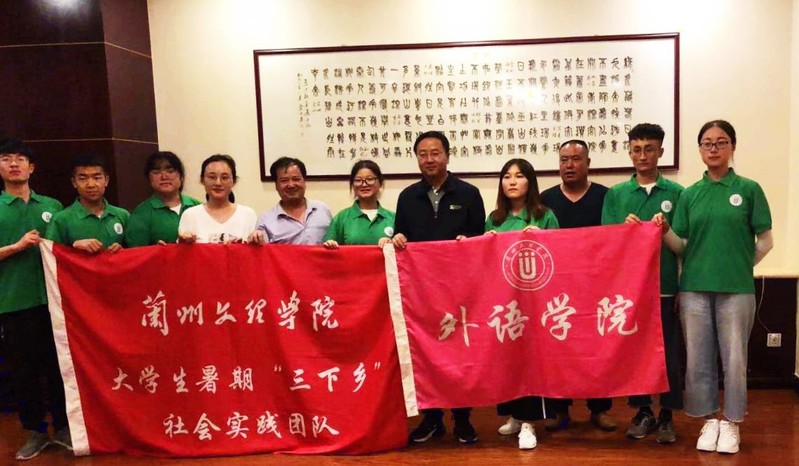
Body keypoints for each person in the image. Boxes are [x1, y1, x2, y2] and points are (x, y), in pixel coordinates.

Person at [659, 120, 772, 454]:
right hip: (694, 289)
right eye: (707, 143)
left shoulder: (749, 189)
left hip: (736, 290)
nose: (714, 148)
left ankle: (732, 422)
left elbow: (766, 241)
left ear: (732, 146)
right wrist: (664, 230)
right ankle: (709, 419)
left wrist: (741, 265)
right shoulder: (690, 194)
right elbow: (681, 246)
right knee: (698, 359)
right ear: (700, 149)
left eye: (721, 142)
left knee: (734, 360)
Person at [392, 130, 485, 444]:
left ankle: (462, 417)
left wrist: (467, 242)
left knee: (459, 352)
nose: (429, 159)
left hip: (460, 289)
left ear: (447, 155)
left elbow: (479, 240)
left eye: (435, 153)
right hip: (421, 291)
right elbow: (402, 236)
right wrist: (399, 239)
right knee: (425, 351)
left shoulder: (469, 193)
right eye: (423, 154)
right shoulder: (407, 197)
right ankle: (431, 418)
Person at [601, 123, 683, 444]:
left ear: (660, 151)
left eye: (649, 149)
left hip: (665, 287)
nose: (643, 155)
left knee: (669, 354)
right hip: (630, 291)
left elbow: (684, 246)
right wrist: (624, 230)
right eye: (637, 149)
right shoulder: (617, 194)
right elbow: (606, 244)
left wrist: (682, 287)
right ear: (630, 152)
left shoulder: (677, 193)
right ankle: (643, 410)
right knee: (636, 352)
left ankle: (667, 414)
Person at [0, 139, 70, 461]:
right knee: (24, 371)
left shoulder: (53, 206)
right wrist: (17, 247)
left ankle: (64, 427)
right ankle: (36, 431)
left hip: (55, 302)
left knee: (59, 366)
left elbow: (65, 248)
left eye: (20, 159)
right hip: (14, 302)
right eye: (6, 159)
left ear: (32, 167)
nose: (14, 164)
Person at [539, 139, 615, 432]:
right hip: (556, 289)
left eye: (575, 159)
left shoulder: (606, 196)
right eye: (564, 160)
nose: (569, 165)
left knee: (598, 349)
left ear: (588, 163)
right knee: (558, 350)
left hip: (596, 286)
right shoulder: (545, 199)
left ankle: (600, 408)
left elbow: (616, 237)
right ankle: (559, 409)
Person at [486, 158, 558, 450]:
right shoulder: (495, 218)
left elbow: (562, 254)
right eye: (506, 176)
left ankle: (530, 422)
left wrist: (542, 239)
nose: (512, 181)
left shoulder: (544, 215)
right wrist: (485, 241)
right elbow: (485, 262)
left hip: (535, 302)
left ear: (530, 181)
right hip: (504, 302)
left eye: (519, 176)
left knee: (531, 360)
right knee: (507, 359)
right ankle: (514, 416)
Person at [46, 154, 129, 253]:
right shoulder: (61, 219)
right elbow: (50, 255)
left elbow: (136, 253)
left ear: (106, 180)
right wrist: (73, 246)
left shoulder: (122, 215)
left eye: (97, 178)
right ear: (74, 182)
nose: (91, 185)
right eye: (83, 179)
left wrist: (123, 252)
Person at [178, 154, 260, 244]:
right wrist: (184, 243)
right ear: (202, 180)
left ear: (233, 181)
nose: (218, 183)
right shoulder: (190, 215)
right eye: (212, 177)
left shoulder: (247, 215)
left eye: (224, 178)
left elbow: (256, 251)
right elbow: (181, 251)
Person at [125, 151, 201, 246]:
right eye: (156, 172)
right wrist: (156, 250)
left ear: (181, 176)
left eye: (170, 171)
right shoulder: (141, 213)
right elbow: (136, 252)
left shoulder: (197, 206)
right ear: (149, 178)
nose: (164, 177)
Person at [256, 157, 331, 244]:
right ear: (276, 185)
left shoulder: (323, 210)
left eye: (296, 179)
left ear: (304, 182)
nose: (291, 185)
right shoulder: (265, 221)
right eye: (284, 180)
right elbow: (261, 251)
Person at [322, 160, 394, 249]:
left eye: (370, 179)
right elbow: (327, 251)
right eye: (358, 180)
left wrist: (392, 243)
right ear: (352, 184)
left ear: (380, 183)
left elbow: (404, 251)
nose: (364, 184)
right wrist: (330, 245)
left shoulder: (393, 218)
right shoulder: (342, 218)